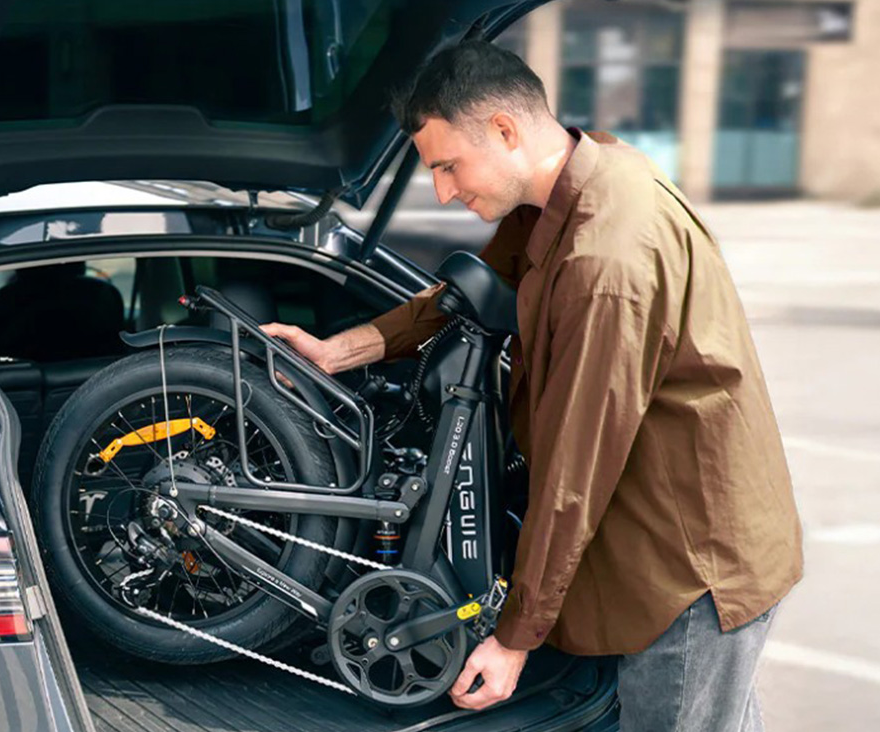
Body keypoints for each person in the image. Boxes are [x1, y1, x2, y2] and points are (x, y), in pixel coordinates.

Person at [261, 41, 802, 731]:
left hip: (686, 574)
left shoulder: (606, 261)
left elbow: (574, 475)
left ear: (505, 130)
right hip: (673, 543)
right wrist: (346, 350)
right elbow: (467, 292)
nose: (448, 192)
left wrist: (515, 638)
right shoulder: (578, 181)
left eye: (448, 166)